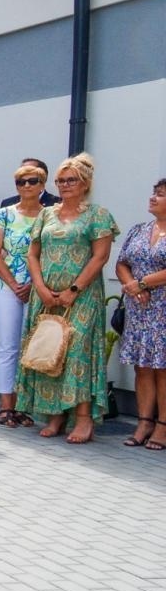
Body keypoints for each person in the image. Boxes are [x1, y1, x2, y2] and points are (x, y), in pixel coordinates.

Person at [16, 153, 116, 444]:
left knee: (76, 354)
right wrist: (42, 288)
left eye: (70, 179)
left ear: (85, 183)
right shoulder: (47, 214)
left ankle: (83, 418)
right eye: (60, 180)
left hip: (82, 297)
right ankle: (55, 413)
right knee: (49, 350)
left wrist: (73, 290)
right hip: (45, 295)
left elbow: (101, 256)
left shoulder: (98, 215)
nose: (64, 185)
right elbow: (33, 253)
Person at [0, 162, 47, 428]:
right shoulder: (5, 214)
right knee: (8, 347)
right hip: (4, 287)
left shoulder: (50, 215)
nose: (26, 186)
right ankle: (6, 406)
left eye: (32, 181)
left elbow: (52, 255)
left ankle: (25, 405)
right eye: (21, 182)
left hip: (39, 288)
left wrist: (34, 285)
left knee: (29, 348)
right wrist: (13, 283)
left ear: (43, 185)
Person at [114, 178, 166, 450]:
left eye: (160, 195)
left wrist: (144, 283)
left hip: (163, 309)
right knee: (143, 366)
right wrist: (132, 286)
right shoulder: (139, 230)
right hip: (140, 309)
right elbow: (121, 263)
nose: (153, 198)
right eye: (154, 193)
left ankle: (163, 426)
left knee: (163, 368)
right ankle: (144, 421)